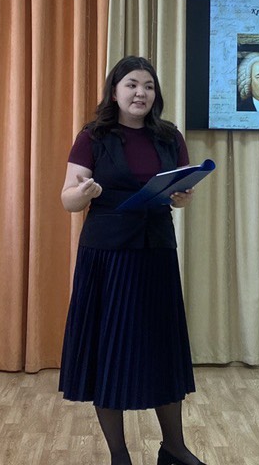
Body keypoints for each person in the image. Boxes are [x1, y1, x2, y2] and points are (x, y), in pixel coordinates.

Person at [59, 55, 207, 465]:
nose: (141, 93)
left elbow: (180, 193)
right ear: (115, 92)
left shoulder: (169, 136)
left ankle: (174, 448)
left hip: (156, 251)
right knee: (108, 351)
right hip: (107, 257)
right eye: (132, 85)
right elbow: (68, 199)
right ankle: (119, 455)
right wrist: (82, 194)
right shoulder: (93, 136)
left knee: (161, 348)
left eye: (148, 86)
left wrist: (183, 197)